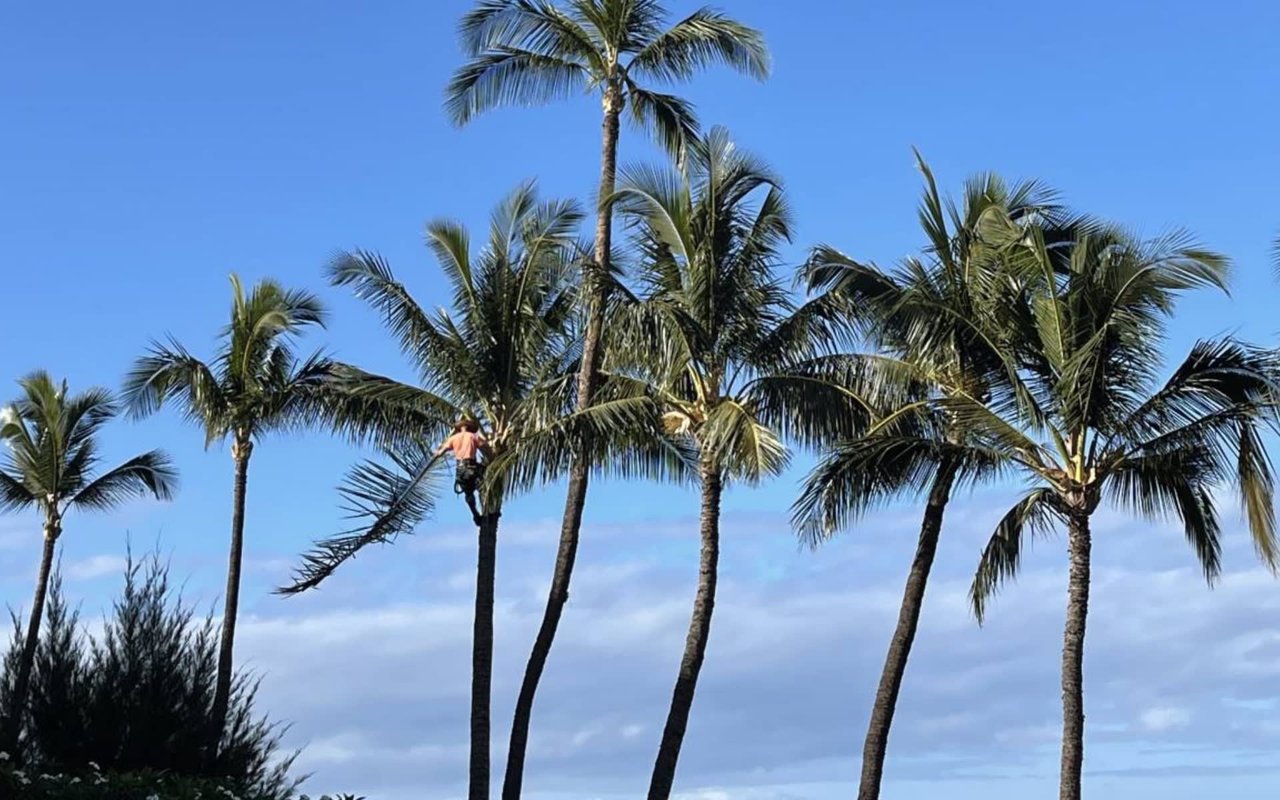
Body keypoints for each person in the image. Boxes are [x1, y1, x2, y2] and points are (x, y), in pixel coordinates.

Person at [436, 417, 489, 526]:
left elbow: (440, 453)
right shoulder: (473, 436)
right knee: (483, 487)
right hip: (472, 467)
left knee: (469, 494)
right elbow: (485, 447)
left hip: (460, 470)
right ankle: (487, 511)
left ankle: (475, 514)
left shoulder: (453, 438)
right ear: (466, 427)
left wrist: (438, 450)